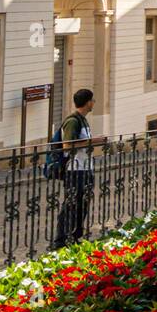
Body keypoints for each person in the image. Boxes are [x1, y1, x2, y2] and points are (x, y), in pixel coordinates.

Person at [52, 88, 95, 248]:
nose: (93, 103)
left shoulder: (83, 120)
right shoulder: (72, 121)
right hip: (74, 169)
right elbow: (67, 146)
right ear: (87, 102)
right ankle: (61, 239)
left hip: (85, 168)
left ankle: (76, 235)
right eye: (92, 100)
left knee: (82, 203)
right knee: (71, 204)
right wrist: (93, 142)